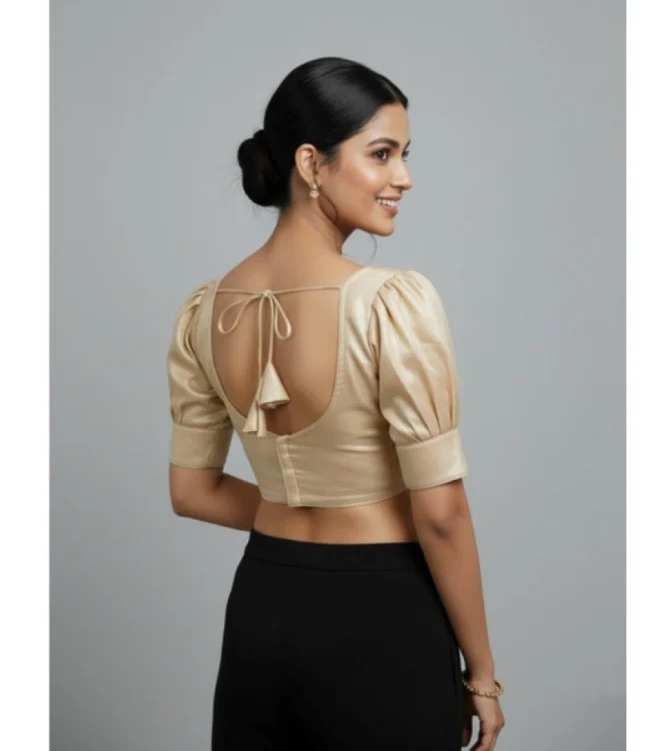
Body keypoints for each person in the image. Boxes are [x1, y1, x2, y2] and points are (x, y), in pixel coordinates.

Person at [166, 57, 505, 750]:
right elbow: (441, 515)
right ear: (310, 164)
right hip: (381, 616)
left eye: (404, 155)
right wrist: (482, 674)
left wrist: (299, 513)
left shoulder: (205, 311)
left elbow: (192, 492)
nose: (403, 177)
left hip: (262, 608)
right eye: (381, 154)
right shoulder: (388, 303)